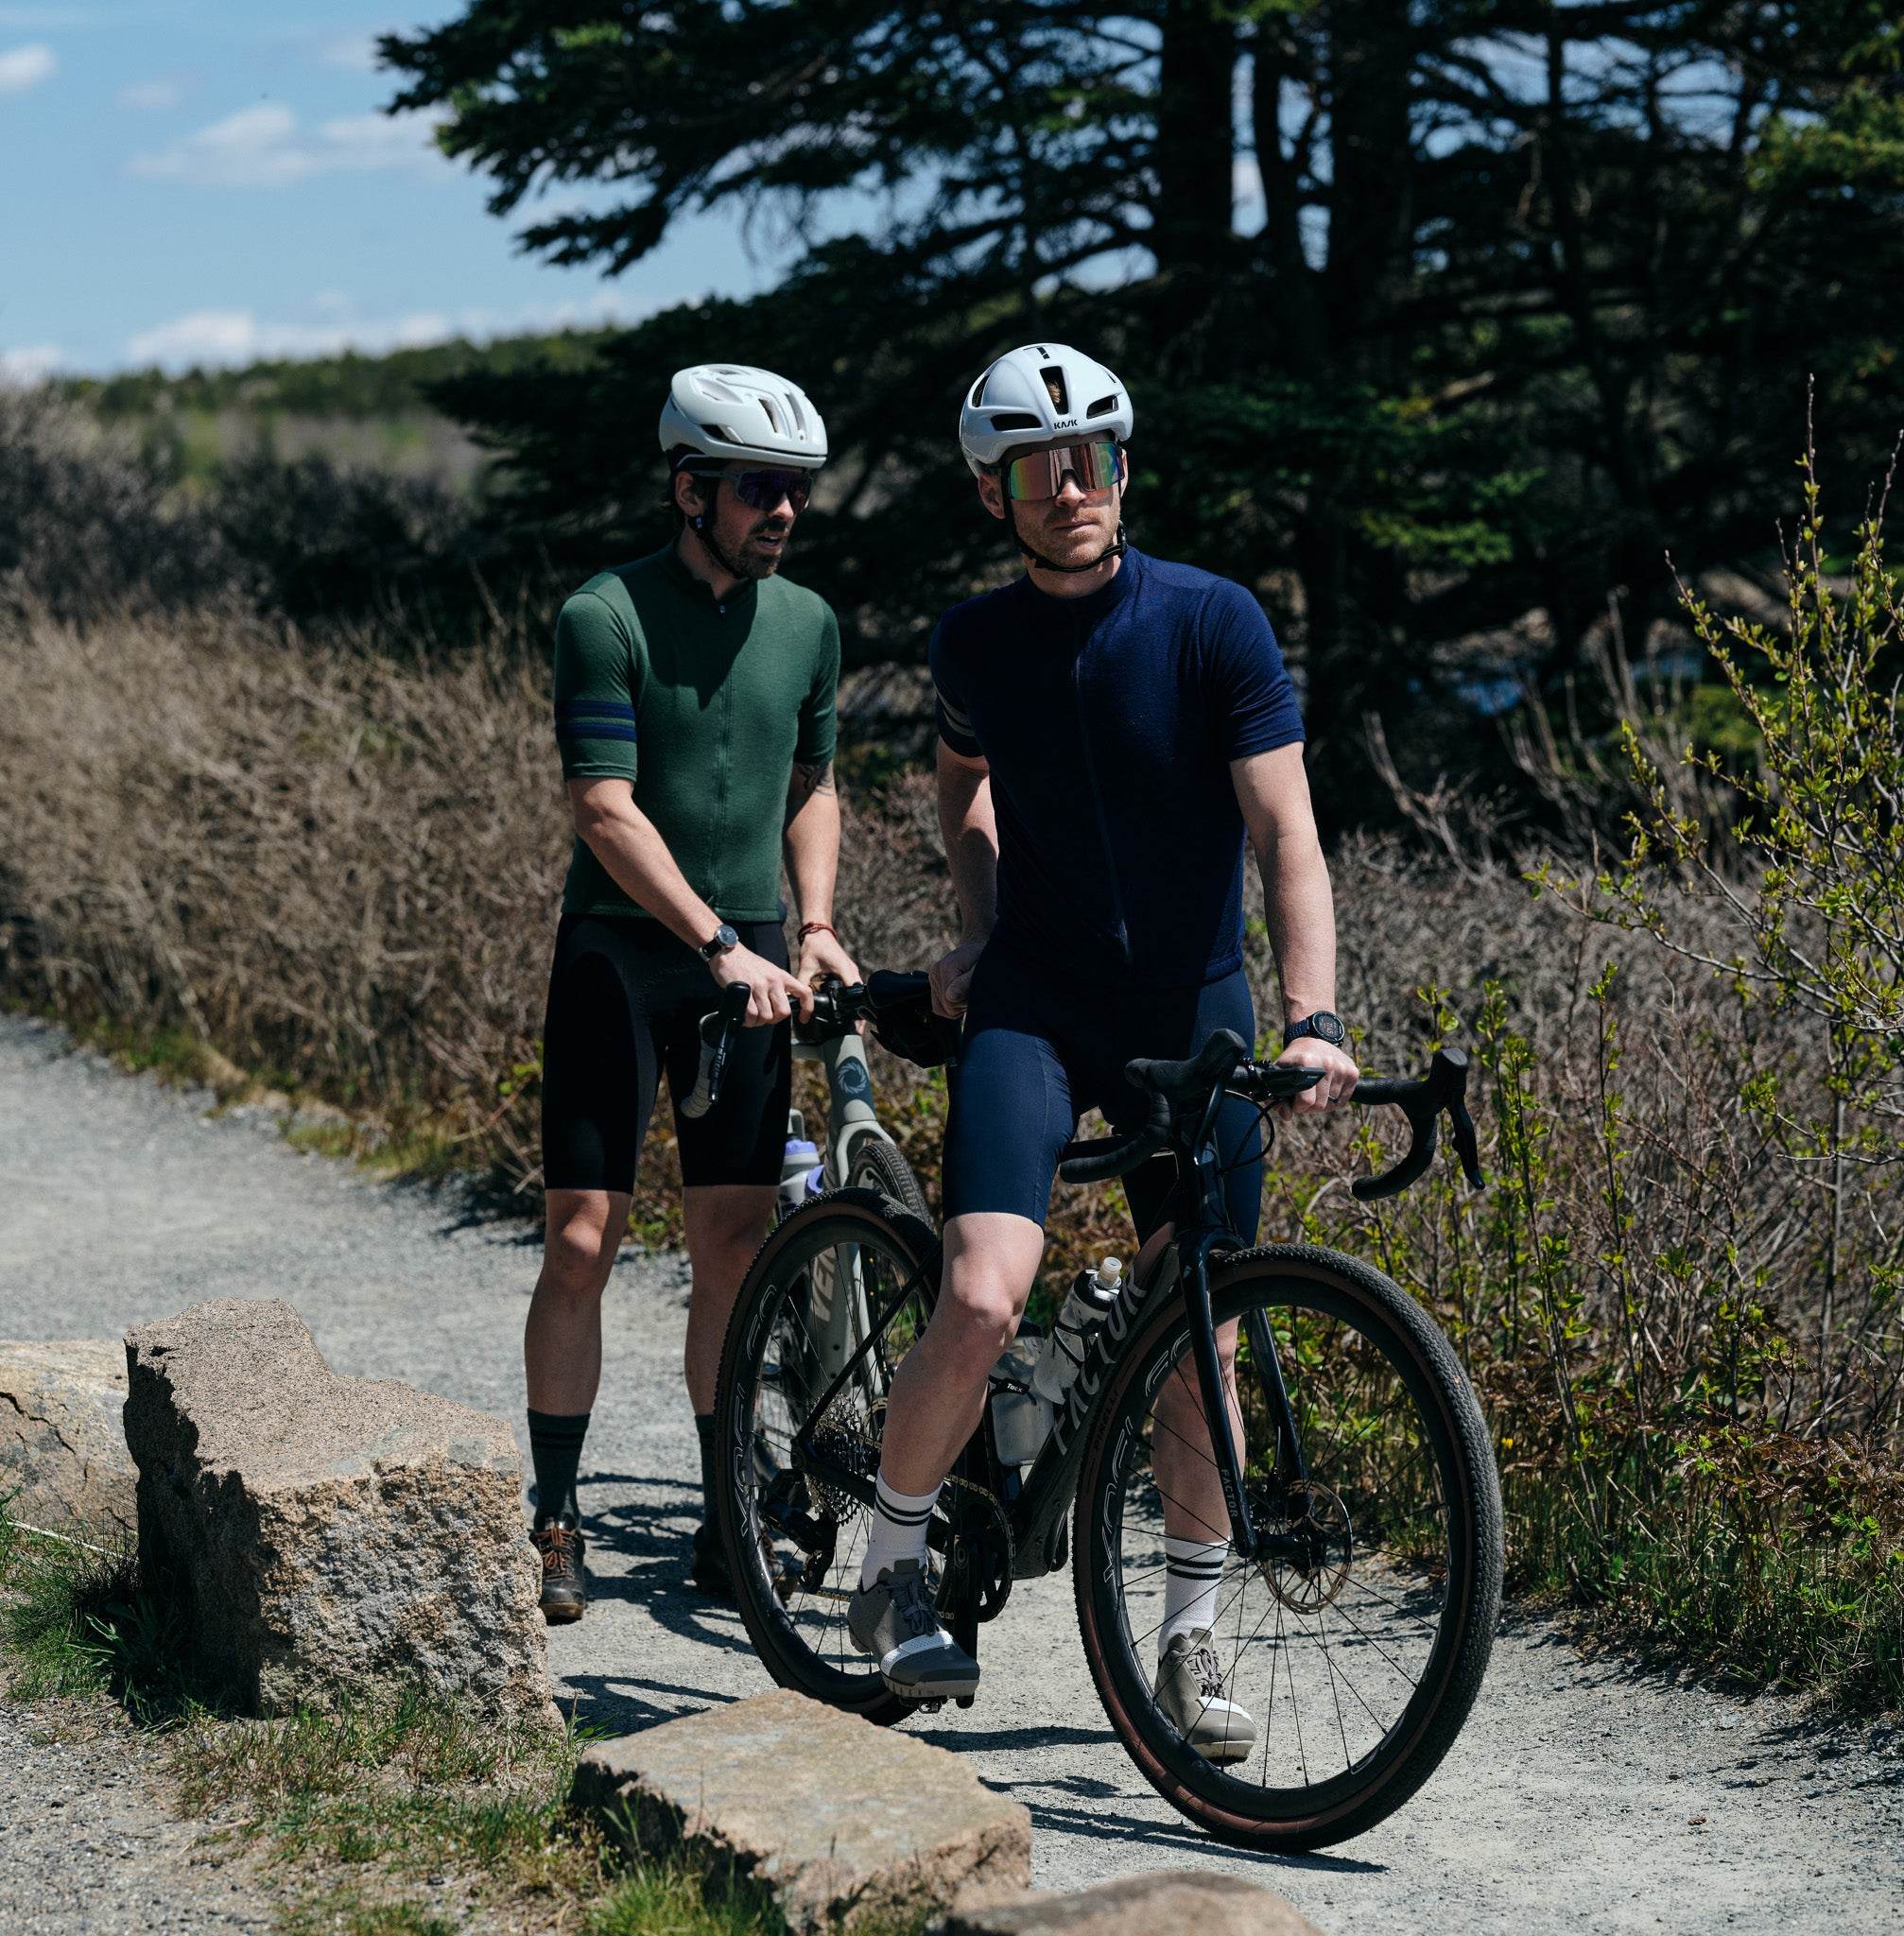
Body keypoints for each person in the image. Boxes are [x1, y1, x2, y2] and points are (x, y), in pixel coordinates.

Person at [846, 342, 1359, 1761]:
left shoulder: (1215, 623)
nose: (1074, 485)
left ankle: (1187, 1642)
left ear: (1124, 469)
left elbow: (1289, 840)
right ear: (994, 491)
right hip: (1035, 1007)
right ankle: (887, 1569)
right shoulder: (977, 643)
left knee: (1206, 1330)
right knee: (986, 1291)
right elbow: (963, 791)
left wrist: (1313, 1020)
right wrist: (979, 923)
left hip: (1195, 1012)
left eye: (1096, 456)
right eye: (1039, 465)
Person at [528, 363, 859, 1620]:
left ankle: (731, 1512)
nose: (783, 512)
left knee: (731, 1243)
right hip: (625, 952)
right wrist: (718, 939)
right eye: (759, 490)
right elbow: (605, 815)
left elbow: (815, 784)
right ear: (690, 489)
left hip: (755, 950)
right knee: (582, 1237)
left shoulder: (810, 622)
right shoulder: (602, 614)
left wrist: (811, 925)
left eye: (798, 493)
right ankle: (557, 1512)